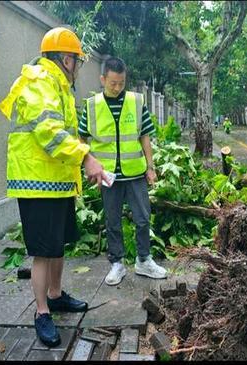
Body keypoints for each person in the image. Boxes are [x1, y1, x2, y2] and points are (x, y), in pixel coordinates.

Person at [0, 27, 108, 347]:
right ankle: (42, 312)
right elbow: (49, 133)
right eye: (77, 60)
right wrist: (86, 157)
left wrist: (79, 161)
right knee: (44, 252)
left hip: (56, 180)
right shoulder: (38, 82)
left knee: (58, 243)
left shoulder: (57, 84)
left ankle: (56, 295)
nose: (78, 66)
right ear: (65, 59)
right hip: (37, 182)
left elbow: (64, 134)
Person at [78, 57, 167, 286]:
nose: (117, 88)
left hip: (135, 173)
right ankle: (117, 264)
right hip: (108, 175)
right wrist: (87, 163)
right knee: (113, 220)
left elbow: (145, 136)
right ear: (102, 79)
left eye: (121, 83)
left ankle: (143, 260)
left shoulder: (136, 102)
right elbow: (81, 139)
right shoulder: (91, 106)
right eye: (113, 83)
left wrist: (150, 167)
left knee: (143, 218)